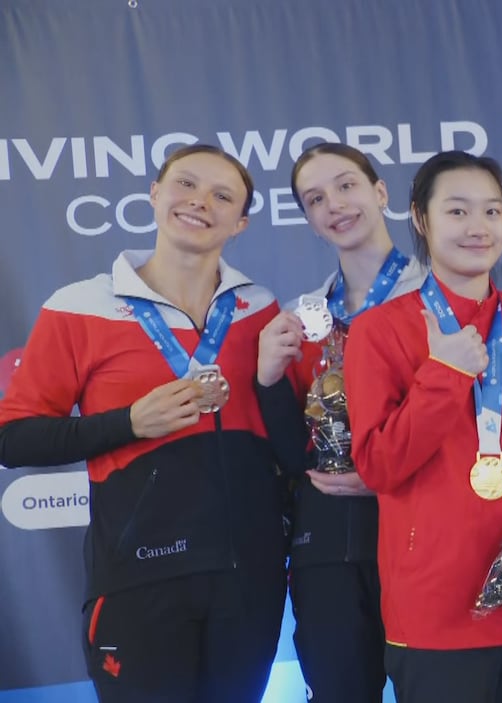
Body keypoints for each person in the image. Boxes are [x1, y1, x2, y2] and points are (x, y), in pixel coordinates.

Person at [0, 144, 287, 702]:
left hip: (248, 581)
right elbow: (13, 438)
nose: (200, 202)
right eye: (186, 184)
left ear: (242, 221)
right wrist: (129, 422)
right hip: (140, 581)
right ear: (155, 194)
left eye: (222, 196)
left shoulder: (262, 309)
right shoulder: (80, 306)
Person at [343, 150, 502, 703]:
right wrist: (445, 375)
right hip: (436, 615)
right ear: (421, 220)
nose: (478, 228)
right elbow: (379, 465)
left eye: (493, 211)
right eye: (457, 212)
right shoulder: (380, 330)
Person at [254, 143, 426, 702]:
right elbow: (294, 455)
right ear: (307, 219)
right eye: (316, 198)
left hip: (422, 535)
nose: (335, 204)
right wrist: (269, 380)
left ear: (380, 193)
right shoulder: (305, 319)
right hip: (326, 547)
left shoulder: (440, 296)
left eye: (347, 185)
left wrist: (385, 472)